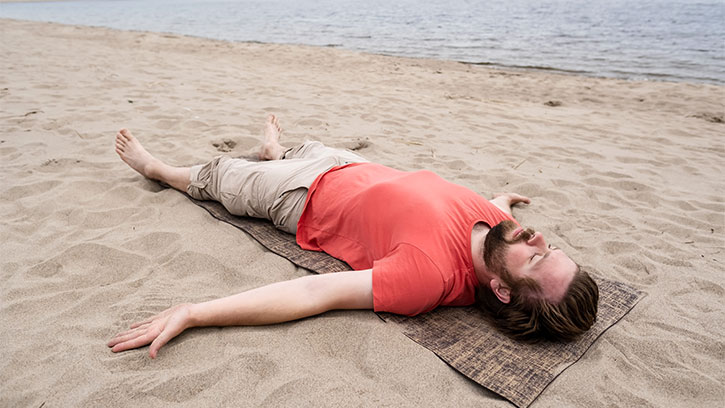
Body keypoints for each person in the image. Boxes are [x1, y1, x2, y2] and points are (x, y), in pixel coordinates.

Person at [108, 115, 598, 358]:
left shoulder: (427, 278)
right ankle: (276, 149)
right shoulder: (501, 233)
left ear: (503, 290)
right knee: (308, 147)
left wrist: (195, 313)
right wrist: (503, 200)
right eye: (548, 248)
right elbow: (498, 216)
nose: (537, 240)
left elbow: (313, 292)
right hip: (350, 165)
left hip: (302, 195)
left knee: (219, 177)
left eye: (535, 259)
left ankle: (159, 169)